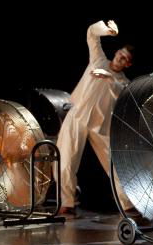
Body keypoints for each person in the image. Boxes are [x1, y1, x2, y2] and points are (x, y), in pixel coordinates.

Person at [55, 20, 136, 216]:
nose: (120, 59)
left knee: (115, 164)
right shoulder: (98, 60)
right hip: (78, 116)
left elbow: (121, 96)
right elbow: (91, 33)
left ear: (128, 64)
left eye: (125, 59)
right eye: (120, 54)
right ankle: (67, 202)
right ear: (116, 53)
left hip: (101, 126)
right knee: (65, 160)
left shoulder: (124, 83)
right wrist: (107, 30)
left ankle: (128, 204)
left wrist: (108, 78)